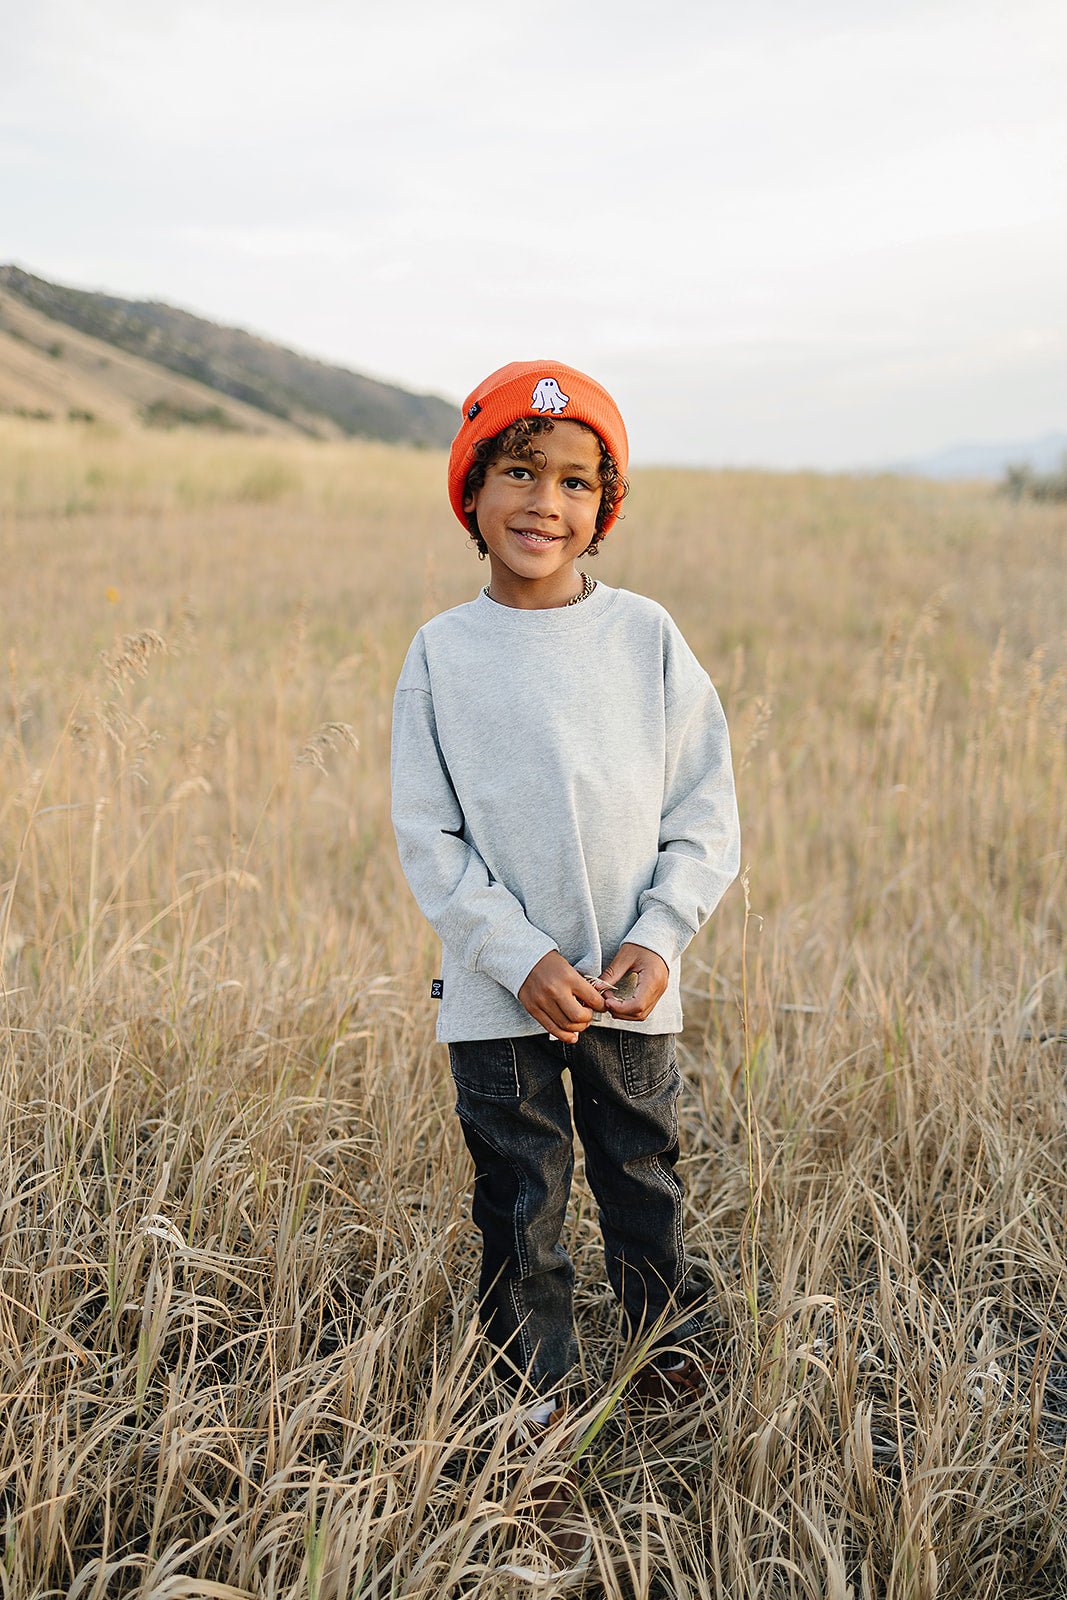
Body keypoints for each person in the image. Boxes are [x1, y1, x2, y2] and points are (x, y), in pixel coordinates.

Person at [390, 359, 740, 1433]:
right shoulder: (443, 654)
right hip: (500, 993)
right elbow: (427, 836)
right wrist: (514, 956)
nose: (545, 501)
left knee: (641, 1168)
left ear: (604, 507)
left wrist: (659, 933)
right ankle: (531, 1389)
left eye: (577, 482)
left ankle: (663, 1348)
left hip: (625, 979)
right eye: (519, 470)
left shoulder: (645, 639)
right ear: (471, 492)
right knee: (519, 1191)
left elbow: (703, 808)